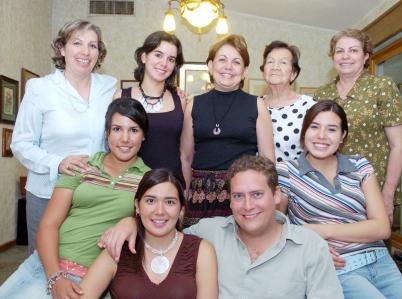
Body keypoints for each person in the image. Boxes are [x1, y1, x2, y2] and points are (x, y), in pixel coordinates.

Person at [99, 155, 343, 299]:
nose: (247, 206)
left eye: (257, 194)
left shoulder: (310, 247)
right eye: (238, 196)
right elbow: (163, 230)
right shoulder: (208, 234)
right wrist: (131, 220)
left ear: (276, 194)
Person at [0, 98, 150, 299]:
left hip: (95, 277)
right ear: (106, 134)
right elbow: (49, 224)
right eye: (117, 129)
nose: (125, 138)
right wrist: (55, 278)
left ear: (143, 136)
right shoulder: (81, 166)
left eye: (133, 130)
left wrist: (133, 222)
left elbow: (159, 226)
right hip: (47, 266)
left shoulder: (149, 180)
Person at [277, 100, 402, 298]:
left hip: (381, 261)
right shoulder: (287, 171)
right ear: (304, 132)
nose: (321, 136)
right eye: (314, 127)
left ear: (342, 136)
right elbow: (277, 227)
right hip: (339, 267)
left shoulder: (359, 165)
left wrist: (319, 230)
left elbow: (382, 228)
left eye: (331, 129)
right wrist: (309, 247)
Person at [11, 19, 117, 252]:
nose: (85, 52)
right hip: (48, 192)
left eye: (93, 45)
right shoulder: (40, 88)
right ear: (62, 48)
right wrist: (57, 163)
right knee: (43, 264)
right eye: (77, 43)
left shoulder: (110, 86)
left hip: (95, 194)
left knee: (89, 262)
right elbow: (20, 143)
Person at [313, 29, 402, 223]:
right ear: (333, 57)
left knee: (370, 251)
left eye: (353, 50)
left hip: (372, 191)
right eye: (339, 51)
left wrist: (387, 197)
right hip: (329, 190)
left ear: (365, 56)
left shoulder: (382, 87)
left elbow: (400, 147)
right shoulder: (321, 94)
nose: (345, 56)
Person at [180, 34, 275, 226]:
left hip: (242, 194)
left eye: (236, 62)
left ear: (245, 70)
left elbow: (267, 159)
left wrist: (265, 198)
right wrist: (184, 196)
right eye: (222, 60)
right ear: (210, 65)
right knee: (198, 252)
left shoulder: (257, 105)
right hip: (199, 195)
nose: (228, 67)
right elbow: (185, 157)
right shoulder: (193, 104)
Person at [79, 169, 218, 299]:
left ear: (181, 210)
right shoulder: (118, 248)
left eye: (169, 202)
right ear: (137, 206)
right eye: (150, 201)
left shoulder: (202, 250)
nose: (159, 211)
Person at [114, 31, 186, 186]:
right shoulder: (121, 96)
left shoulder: (180, 99)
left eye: (171, 59)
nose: (164, 63)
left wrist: (185, 189)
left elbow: (185, 152)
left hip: (171, 185)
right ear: (144, 57)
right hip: (130, 184)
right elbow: (112, 145)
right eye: (158, 55)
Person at [260, 40, 315, 162]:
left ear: (293, 74)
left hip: (295, 179)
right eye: (270, 62)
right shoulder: (254, 105)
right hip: (258, 179)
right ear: (264, 71)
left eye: (283, 62)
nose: (275, 67)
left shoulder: (309, 106)